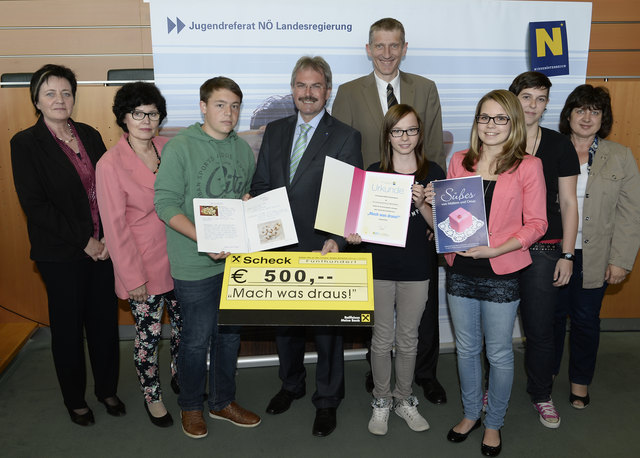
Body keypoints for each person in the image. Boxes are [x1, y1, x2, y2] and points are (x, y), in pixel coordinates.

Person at [332, 17, 447, 404]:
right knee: (379, 314)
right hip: (372, 218)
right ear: (368, 49)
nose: (386, 53)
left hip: (419, 216)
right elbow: (343, 159)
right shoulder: (348, 93)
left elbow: (433, 148)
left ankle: (425, 375)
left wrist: (434, 209)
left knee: (421, 310)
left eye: (394, 45)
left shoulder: (426, 89)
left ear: (404, 47)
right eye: (379, 46)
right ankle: (379, 377)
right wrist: (348, 218)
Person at [249, 56, 362, 437]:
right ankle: (291, 384)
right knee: (286, 325)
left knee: (327, 330)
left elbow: (348, 196)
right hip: (279, 245)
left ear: (327, 91)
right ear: (292, 89)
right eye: (301, 85)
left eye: (316, 86)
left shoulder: (346, 135)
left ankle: (327, 400)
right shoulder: (276, 130)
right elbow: (263, 183)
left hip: (322, 246)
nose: (308, 93)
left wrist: (337, 239)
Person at [10, 64, 125, 426]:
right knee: (68, 330)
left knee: (105, 324)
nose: (59, 99)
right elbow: (35, 205)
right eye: (50, 93)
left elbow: (110, 189)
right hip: (61, 255)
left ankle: (107, 389)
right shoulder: (25, 144)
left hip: (104, 249)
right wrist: (84, 241)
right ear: (36, 100)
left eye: (66, 92)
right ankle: (75, 399)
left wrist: (106, 237)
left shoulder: (90, 134)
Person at [154, 77, 261, 439]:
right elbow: (165, 205)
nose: (228, 113)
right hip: (194, 263)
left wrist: (249, 207)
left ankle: (222, 402)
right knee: (196, 340)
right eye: (219, 105)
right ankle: (190, 407)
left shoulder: (243, 150)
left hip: (234, 264)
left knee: (229, 338)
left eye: (234, 106)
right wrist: (205, 238)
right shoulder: (180, 147)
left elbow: (240, 197)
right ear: (202, 106)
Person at [443, 90, 547, 456]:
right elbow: (451, 217)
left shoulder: (528, 166)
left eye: (500, 118)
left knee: (499, 354)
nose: (490, 125)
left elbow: (537, 224)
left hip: (501, 270)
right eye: (484, 117)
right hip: (461, 269)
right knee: (467, 350)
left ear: (513, 123)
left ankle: (494, 423)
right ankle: (471, 413)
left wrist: (497, 249)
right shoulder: (459, 161)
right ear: (476, 122)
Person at [345, 104, 445, 436]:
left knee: (408, 339)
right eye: (397, 131)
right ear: (388, 135)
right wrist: (354, 235)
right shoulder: (373, 172)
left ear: (420, 133)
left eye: (411, 130)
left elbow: (442, 229)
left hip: (417, 268)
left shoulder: (435, 174)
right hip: (379, 268)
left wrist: (421, 204)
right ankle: (381, 400)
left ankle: (404, 398)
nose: (405, 137)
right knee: (381, 338)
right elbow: (357, 226)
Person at [96, 82, 181, 428]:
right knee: (148, 338)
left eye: (153, 113)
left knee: (183, 330)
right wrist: (133, 279)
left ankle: (180, 377)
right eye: (138, 113)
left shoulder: (170, 148)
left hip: (180, 257)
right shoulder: (110, 163)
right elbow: (115, 229)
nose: (147, 120)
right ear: (124, 117)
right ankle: (152, 395)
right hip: (142, 266)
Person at [553, 84, 640, 409]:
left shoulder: (620, 156)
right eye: (580, 110)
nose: (587, 117)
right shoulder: (551, 149)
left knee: (586, 320)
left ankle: (579, 383)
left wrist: (620, 260)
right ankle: (543, 379)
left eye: (595, 111)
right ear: (569, 115)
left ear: (603, 117)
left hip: (596, 255)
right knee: (550, 320)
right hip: (553, 252)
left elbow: (631, 213)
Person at [505, 72, 580, 428]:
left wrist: (568, 254)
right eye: (526, 97)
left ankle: (541, 394)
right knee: (497, 329)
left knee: (540, 330)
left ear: (548, 104)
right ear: (513, 99)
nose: (533, 105)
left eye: (540, 98)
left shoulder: (560, 145)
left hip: (546, 249)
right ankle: (494, 387)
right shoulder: (497, 139)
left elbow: (568, 202)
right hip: (501, 249)